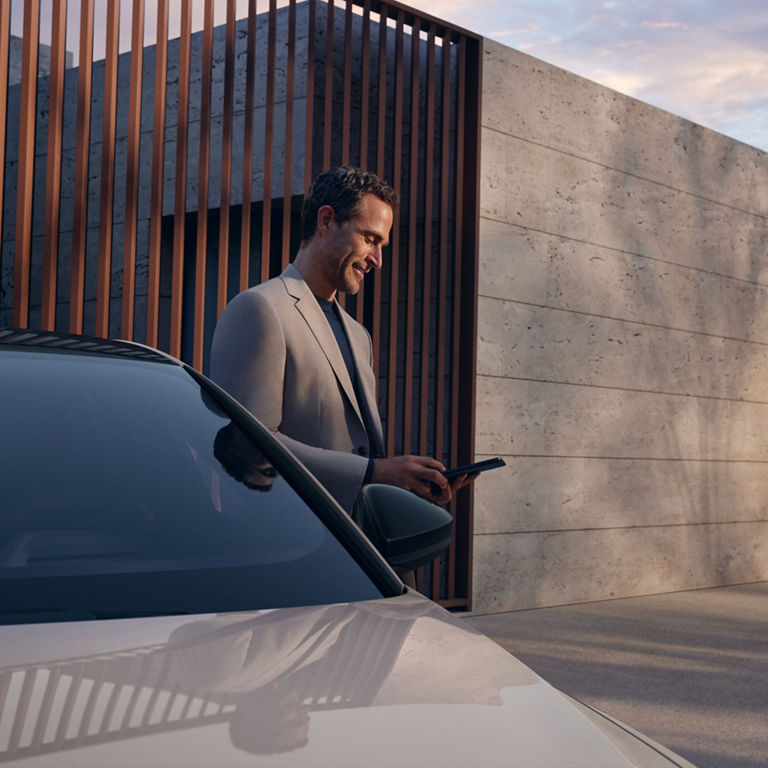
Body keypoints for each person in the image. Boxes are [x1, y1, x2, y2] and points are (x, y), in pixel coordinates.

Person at [209, 166, 470, 515]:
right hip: (293, 547)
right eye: (370, 239)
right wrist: (376, 472)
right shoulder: (260, 308)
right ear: (327, 220)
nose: (378, 259)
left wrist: (406, 487)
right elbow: (248, 446)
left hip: (360, 549)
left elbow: (357, 459)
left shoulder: (359, 335)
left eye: (382, 245)